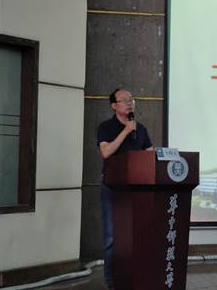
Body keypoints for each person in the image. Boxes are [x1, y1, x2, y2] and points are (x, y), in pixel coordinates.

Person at [97, 88, 153, 290]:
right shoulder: (106, 127)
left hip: (137, 188)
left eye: (131, 99)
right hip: (112, 188)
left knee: (136, 233)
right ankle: (111, 281)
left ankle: (135, 276)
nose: (130, 103)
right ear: (114, 105)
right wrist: (126, 131)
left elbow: (150, 155)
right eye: (124, 100)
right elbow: (106, 152)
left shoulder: (141, 129)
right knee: (112, 235)